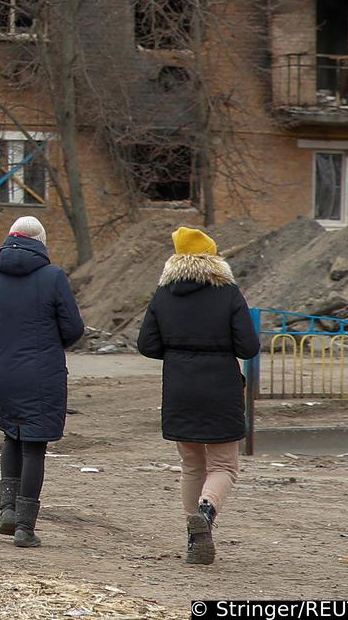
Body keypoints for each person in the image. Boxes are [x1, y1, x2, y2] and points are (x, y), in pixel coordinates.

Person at [136, 226, 260, 566]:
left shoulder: (164, 294)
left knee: (191, 464)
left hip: (180, 387)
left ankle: (194, 539)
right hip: (221, 386)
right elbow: (249, 346)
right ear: (213, 257)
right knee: (224, 465)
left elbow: (146, 344)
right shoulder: (228, 292)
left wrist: (179, 354)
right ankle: (206, 511)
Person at [0, 215, 85, 549]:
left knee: (11, 435)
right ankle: (25, 526)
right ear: (41, 241)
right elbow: (74, 328)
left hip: (1, 369)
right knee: (35, 444)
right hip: (42, 370)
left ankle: (7, 509)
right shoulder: (53, 277)